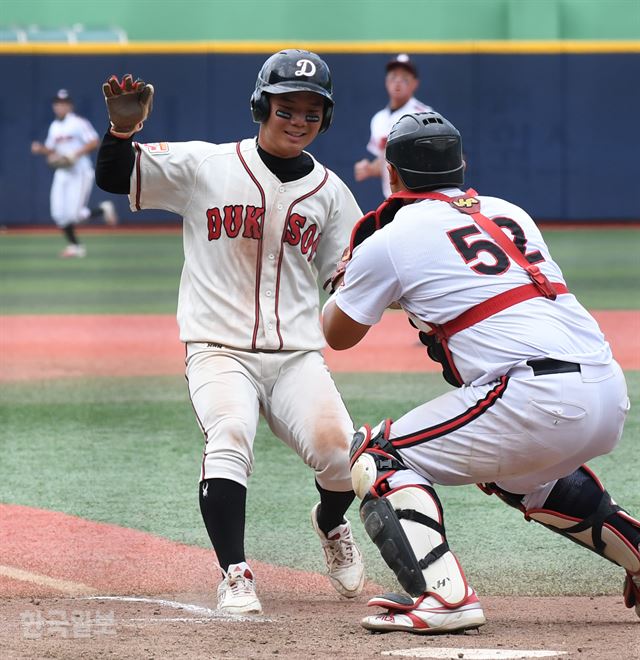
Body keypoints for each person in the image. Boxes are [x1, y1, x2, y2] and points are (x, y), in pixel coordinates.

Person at [323, 110, 639, 634]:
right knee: (519, 474)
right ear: (461, 166)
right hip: (606, 385)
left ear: (393, 175)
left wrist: (344, 279)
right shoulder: (509, 211)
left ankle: (444, 596)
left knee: (377, 456)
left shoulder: (391, 237)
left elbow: (339, 334)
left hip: (533, 393)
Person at [95, 50, 365, 615]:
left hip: (296, 357)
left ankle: (329, 523)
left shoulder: (333, 193)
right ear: (261, 106)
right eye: (286, 107)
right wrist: (121, 133)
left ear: (326, 119)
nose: (298, 120)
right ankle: (235, 572)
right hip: (218, 350)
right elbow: (117, 176)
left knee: (342, 455)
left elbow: (346, 278)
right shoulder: (207, 166)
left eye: (311, 112)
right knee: (231, 435)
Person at [31, 89, 118, 258]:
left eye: (63, 103)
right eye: (57, 104)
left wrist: (74, 154)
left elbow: (94, 141)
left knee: (74, 215)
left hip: (80, 172)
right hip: (62, 173)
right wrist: (41, 149)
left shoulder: (78, 122)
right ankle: (76, 247)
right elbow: (51, 149)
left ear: (69, 106)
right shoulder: (54, 126)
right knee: (58, 214)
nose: (60, 107)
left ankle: (103, 210)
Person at [353, 54, 432, 200]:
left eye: (404, 78)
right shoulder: (379, 119)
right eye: (393, 76)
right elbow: (386, 161)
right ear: (386, 81)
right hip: (392, 200)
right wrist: (370, 169)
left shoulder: (425, 114)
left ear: (415, 84)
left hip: (421, 199)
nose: (398, 82)